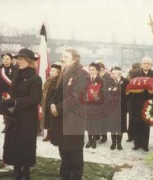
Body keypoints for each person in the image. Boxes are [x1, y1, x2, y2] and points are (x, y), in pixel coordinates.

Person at [1, 48, 42, 180]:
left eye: (22, 59)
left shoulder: (35, 78)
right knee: (14, 145)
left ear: (30, 61)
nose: (19, 61)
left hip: (28, 119)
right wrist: (8, 101)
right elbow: (13, 93)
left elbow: (35, 99)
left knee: (26, 145)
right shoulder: (16, 75)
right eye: (18, 59)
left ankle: (26, 172)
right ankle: (16, 170)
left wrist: (14, 101)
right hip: (14, 117)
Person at [50, 48, 87, 180]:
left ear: (75, 59)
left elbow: (77, 97)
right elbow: (56, 92)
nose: (62, 58)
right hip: (62, 120)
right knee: (64, 152)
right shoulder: (64, 72)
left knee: (74, 154)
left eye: (66, 56)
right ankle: (65, 176)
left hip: (73, 121)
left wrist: (59, 108)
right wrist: (52, 104)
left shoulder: (81, 74)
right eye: (62, 56)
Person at [129, 57, 153, 152]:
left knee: (146, 124)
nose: (146, 65)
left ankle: (145, 145)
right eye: (145, 63)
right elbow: (131, 87)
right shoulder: (135, 74)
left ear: (151, 65)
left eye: (148, 64)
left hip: (149, 102)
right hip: (136, 102)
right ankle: (137, 144)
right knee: (137, 123)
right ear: (141, 65)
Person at [0, 53, 18, 133]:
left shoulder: (15, 69)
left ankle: (11, 126)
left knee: (11, 110)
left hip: (10, 93)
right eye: (4, 59)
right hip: (1, 92)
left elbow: (14, 82)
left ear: (11, 60)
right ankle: (6, 126)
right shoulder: (0, 68)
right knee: (4, 110)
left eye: (7, 59)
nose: (6, 61)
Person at [84, 62, 104, 149]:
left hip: (96, 105)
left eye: (93, 70)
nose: (91, 71)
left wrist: (97, 96)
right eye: (90, 69)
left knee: (95, 123)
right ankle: (89, 140)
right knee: (88, 123)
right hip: (88, 104)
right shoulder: (86, 79)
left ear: (97, 71)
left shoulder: (101, 80)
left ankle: (94, 140)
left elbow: (104, 93)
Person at [40, 63, 61, 141]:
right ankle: (48, 135)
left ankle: (54, 136)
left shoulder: (58, 82)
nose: (51, 72)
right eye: (51, 71)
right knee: (47, 119)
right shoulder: (48, 80)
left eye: (53, 71)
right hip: (45, 102)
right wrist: (42, 101)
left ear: (58, 73)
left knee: (53, 120)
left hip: (53, 103)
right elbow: (43, 91)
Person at [110, 66, 128, 150]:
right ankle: (113, 143)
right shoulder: (109, 81)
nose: (113, 75)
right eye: (112, 73)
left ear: (119, 73)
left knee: (120, 126)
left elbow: (128, 94)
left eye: (115, 73)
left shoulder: (125, 81)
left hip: (122, 107)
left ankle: (119, 143)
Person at [126, 62, 141, 142]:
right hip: (135, 98)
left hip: (131, 99)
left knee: (132, 119)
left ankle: (131, 136)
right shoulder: (135, 73)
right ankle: (134, 136)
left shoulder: (129, 74)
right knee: (136, 119)